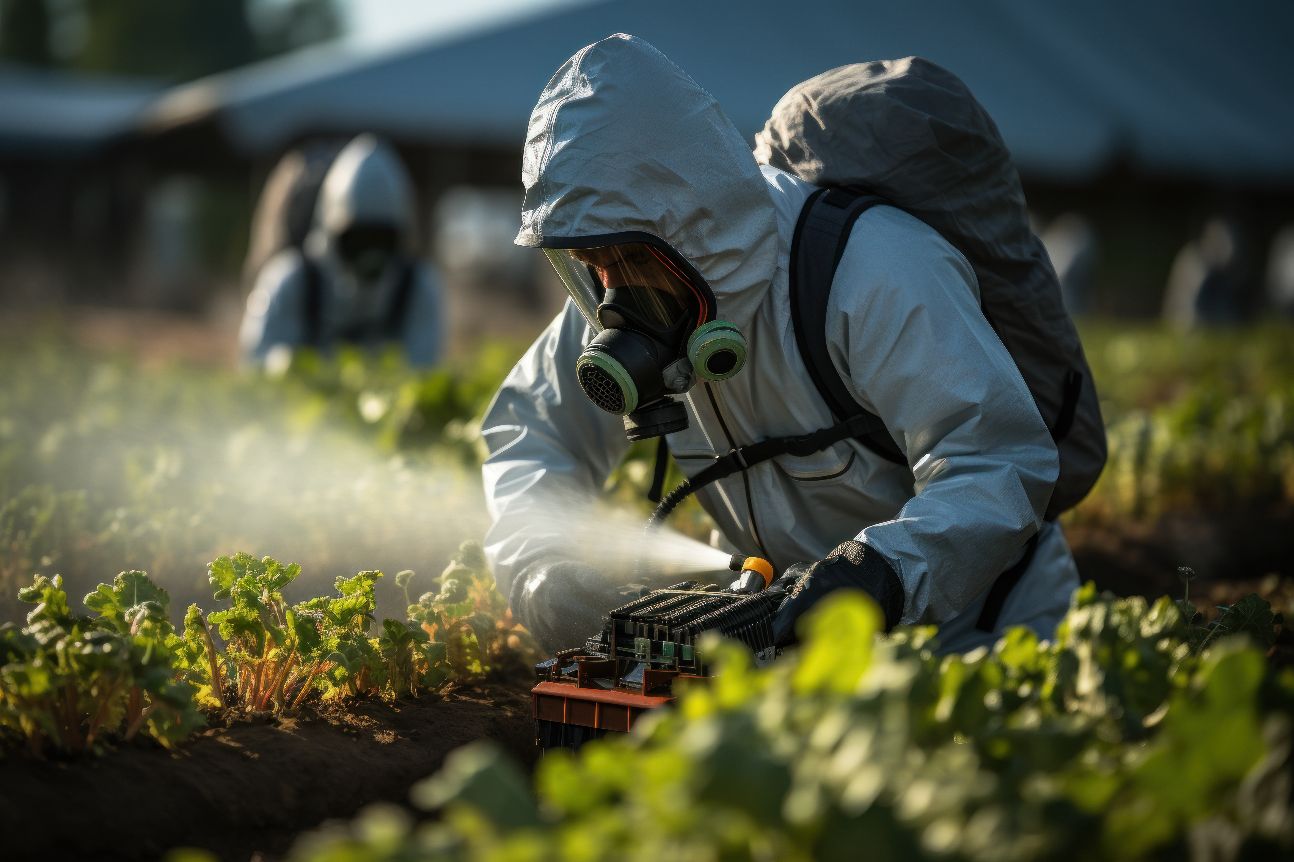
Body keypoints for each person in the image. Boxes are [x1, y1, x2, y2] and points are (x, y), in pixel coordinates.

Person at [481, 34, 1080, 654]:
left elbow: (998, 461)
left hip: (983, 641)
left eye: (630, 255)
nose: (613, 289)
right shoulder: (619, 290)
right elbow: (534, 435)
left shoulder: (872, 270)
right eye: (591, 259)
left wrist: (883, 571)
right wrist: (538, 567)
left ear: (692, 225)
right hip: (793, 654)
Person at [239, 134, 444, 368]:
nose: (371, 253)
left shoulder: (417, 287)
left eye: (382, 239)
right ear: (332, 230)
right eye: (358, 239)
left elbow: (424, 367)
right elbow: (254, 359)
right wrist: (284, 365)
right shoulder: (293, 280)